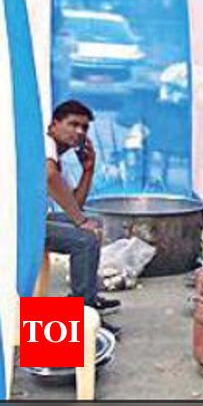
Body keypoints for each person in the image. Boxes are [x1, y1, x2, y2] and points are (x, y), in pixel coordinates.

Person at [45, 100, 121, 315]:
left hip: (30, 219)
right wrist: (80, 221)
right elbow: (49, 177)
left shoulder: (57, 158)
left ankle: (86, 299)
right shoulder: (45, 143)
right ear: (54, 125)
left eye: (84, 127)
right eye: (73, 124)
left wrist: (88, 170)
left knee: (94, 224)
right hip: (14, 225)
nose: (79, 132)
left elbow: (74, 205)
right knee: (84, 240)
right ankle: (82, 313)